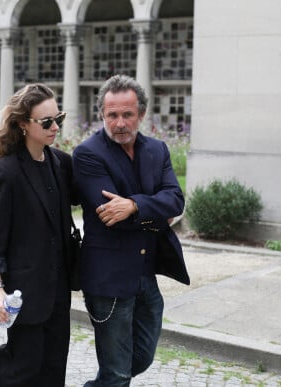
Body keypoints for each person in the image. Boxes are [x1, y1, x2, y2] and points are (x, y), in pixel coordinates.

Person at [72, 74, 190, 386]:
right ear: (102, 115)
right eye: (112, 115)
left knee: (142, 358)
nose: (120, 122)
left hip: (146, 272)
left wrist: (135, 206)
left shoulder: (157, 150)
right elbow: (111, 215)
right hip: (107, 278)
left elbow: (176, 200)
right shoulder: (87, 154)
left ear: (141, 114)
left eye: (127, 114)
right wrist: (155, 210)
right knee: (117, 372)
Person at [0, 83, 78, 386]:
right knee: (21, 369)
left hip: (59, 291)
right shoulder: (7, 172)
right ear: (23, 124)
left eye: (57, 118)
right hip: (25, 292)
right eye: (45, 122)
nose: (54, 127)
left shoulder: (61, 163)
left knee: (53, 370)